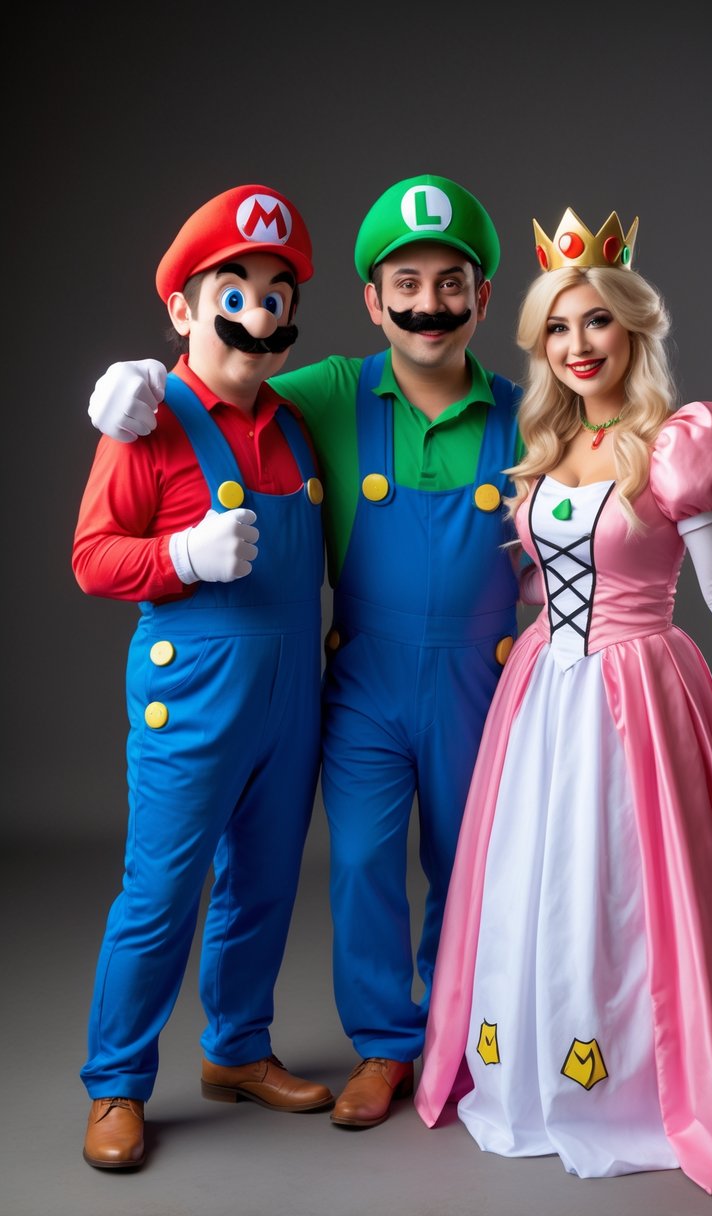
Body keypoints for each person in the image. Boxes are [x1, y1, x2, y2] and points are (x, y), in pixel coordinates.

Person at [85, 174, 525, 1129]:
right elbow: (205, 389)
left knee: (406, 869)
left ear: (483, 297)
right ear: (371, 300)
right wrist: (140, 380)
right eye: (404, 282)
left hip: (438, 683)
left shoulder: (513, 412)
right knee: (346, 863)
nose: (427, 303)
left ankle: (432, 1042)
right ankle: (142, 1079)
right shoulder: (325, 392)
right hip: (332, 681)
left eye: (452, 283)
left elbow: (601, 442)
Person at [414, 206, 712, 1194]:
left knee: (628, 887)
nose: (575, 345)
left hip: (640, 692)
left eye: (594, 321)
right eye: (556, 328)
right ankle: (540, 1073)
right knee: (539, 881)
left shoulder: (676, 444)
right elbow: (535, 583)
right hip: (541, 702)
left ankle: (635, 1084)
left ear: (633, 325)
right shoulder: (543, 450)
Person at [74, 184, 335, 1171]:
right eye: (237, 289)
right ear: (184, 308)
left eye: (276, 292)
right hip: (193, 697)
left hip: (288, 697)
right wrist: (181, 557)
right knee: (162, 889)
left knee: (263, 883)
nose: (260, 312)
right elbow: (94, 557)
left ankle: (234, 1049)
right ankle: (115, 1083)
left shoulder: (298, 419)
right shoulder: (146, 419)